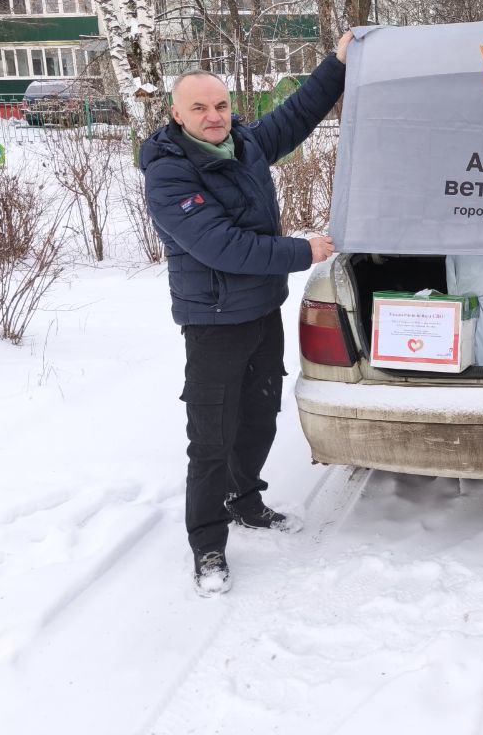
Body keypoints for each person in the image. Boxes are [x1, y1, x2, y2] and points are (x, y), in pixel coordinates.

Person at [141, 30, 352, 596]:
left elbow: (298, 113)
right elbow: (222, 247)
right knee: (211, 437)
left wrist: (338, 63)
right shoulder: (169, 173)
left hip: (261, 311)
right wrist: (302, 250)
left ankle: (244, 500)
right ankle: (207, 544)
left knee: (259, 417)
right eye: (199, 108)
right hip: (213, 321)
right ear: (176, 114)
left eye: (221, 104)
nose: (214, 116)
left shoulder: (244, 142)